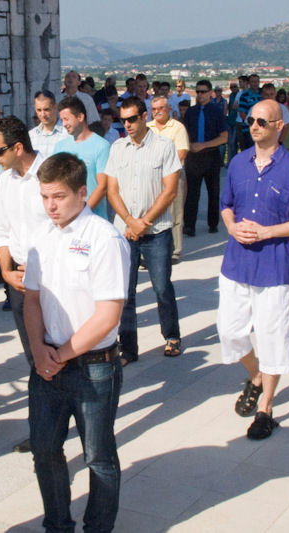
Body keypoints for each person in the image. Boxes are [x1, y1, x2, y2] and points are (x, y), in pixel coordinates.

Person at [23, 152, 129, 533]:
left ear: (83, 193)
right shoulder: (40, 237)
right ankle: (57, 525)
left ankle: (97, 527)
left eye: (59, 196)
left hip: (94, 366)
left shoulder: (104, 239)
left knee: (98, 456)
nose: (50, 206)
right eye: (44, 197)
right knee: (44, 451)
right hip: (47, 365)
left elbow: (108, 315)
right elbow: (31, 299)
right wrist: (39, 351)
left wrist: (61, 355)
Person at [217, 99, 289, 440]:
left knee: (273, 336)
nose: (254, 126)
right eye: (251, 120)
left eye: (262, 121)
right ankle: (256, 375)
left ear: (278, 126)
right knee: (230, 331)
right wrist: (231, 227)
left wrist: (268, 232)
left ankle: (266, 408)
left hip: (275, 266)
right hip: (236, 262)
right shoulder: (238, 163)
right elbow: (226, 205)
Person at [105, 97, 182, 365]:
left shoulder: (164, 146)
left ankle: (172, 336)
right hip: (125, 233)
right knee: (125, 293)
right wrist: (129, 221)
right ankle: (128, 348)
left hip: (156, 232)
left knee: (161, 288)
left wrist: (143, 222)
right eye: (123, 120)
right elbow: (112, 190)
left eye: (131, 119)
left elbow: (170, 190)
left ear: (144, 116)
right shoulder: (117, 148)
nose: (127, 124)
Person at [0, 116, 49, 453]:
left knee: (60, 353)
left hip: (51, 280)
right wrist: (6, 272)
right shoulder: (3, 182)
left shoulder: (49, 173)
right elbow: (1, 230)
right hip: (19, 281)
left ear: (18, 147)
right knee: (34, 356)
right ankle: (42, 429)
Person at [182, 80, 228, 236]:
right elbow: (184, 133)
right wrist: (189, 146)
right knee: (192, 192)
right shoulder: (191, 112)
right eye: (198, 91)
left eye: (203, 91)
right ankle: (189, 225)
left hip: (211, 154)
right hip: (193, 156)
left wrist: (204, 145)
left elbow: (224, 137)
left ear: (210, 93)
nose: (200, 94)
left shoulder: (217, 112)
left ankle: (213, 223)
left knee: (213, 191)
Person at [54, 96, 110, 219]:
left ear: (80, 117)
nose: (64, 124)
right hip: (66, 218)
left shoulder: (102, 146)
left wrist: (81, 214)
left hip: (94, 219)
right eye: (62, 120)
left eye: (66, 119)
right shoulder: (59, 147)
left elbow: (103, 186)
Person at [149, 96, 190, 264]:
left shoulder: (178, 127)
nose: (157, 112)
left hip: (172, 176)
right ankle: (151, 251)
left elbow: (182, 153)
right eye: (154, 109)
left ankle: (175, 251)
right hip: (151, 177)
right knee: (151, 212)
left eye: (160, 108)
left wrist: (163, 169)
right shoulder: (147, 127)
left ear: (168, 109)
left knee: (174, 214)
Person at [29, 90, 69, 157]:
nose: (43, 114)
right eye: (39, 110)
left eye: (46, 109)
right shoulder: (31, 136)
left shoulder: (68, 134)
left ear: (55, 107)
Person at [238, 74, 261, 150]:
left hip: (261, 129)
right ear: (249, 83)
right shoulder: (244, 96)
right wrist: (253, 124)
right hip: (249, 130)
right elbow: (242, 113)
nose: (255, 84)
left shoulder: (261, 94)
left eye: (257, 81)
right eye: (253, 82)